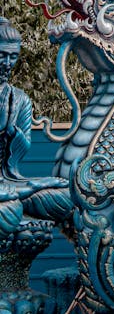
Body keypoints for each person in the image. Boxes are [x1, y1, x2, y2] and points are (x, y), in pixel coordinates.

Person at [0, 17, 70, 223]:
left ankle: (12, 201)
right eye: (2, 56)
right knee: (8, 208)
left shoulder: (20, 99)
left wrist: (11, 131)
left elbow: (24, 145)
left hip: (9, 180)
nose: (7, 64)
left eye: (12, 57)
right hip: (7, 192)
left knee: (64, 196)